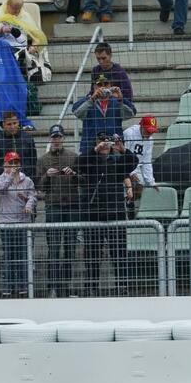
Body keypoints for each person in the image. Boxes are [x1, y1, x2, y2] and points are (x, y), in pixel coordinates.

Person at [77, 132, 138, 296]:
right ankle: (91, 286)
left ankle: (122, 285)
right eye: (101, 142)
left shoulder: (117, 162)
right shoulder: (90, 160)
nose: (105, 145)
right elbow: (78, 164)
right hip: (93, 213)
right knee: (92, 253)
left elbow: (133, 163)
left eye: (107, 142)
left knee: (119, 252)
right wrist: (96, 150)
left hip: (114, 212)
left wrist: (122, 149)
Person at [36, 124, 79, 296]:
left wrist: (74, 174)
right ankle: (52, 286)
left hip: (72, 206)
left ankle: (65, 286)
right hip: (53, 206)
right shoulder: (43, 160)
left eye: (59, 137)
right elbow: (39, 186)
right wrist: (47, 175)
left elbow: (83, 181)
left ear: (63, 138)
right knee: (53, 248)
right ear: (50, 139)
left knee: (70, 247)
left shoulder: (74, 157)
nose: (56, 140)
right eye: (54, 137)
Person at [0, 151, 37, 298]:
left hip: (23, 223)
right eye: (10, 163)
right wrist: (10, 176)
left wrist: (28, 204)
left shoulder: (27, 180)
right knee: (9, 256)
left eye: (16, 163)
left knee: (23, 256)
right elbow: (1, 189)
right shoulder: (0, 178)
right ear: (5, 164)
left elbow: (33, 196)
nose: (14, 166)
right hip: (6, 223)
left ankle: (23, 287)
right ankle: (7, 287)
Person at [72, 74, 136, 152]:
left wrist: (121, 99)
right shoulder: (88, 101)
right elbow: (76, 112)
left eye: (106, 84)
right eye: (99, 85)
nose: (103, 87)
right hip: (90, 149)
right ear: (94, 87)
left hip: (113, 148)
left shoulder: (117, 101)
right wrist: (92, 99)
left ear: (110, 86)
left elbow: (131, 114)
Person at [123, 115, 159, 218]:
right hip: (123, 166)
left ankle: (134, 213)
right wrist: (131, 173)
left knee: (140, 185)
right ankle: (126, 211)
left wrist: (151, 181)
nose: (150, 134)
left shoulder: (150, 140)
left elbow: (147, 161)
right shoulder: (129, 134)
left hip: (137, 167)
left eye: (152, 131)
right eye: (148, 131)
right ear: (141, 126)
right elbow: (123, 154)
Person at [0, 111, 39, 181]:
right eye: (9, 124)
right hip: (4, 180)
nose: (12, 127)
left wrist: (31, 179)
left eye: (14, 123)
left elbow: (33, 161)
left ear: (18, 122)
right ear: (4, 125)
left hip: (25, 180)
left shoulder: (27, 138)